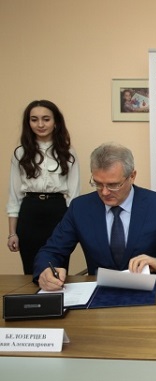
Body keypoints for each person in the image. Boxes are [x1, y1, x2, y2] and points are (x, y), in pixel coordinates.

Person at [33, 142, 156, 290]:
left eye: (113, 185)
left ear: (132, 176)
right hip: (99, 294)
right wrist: (46, 271)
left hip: (147, 292)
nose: (104, 192)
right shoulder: (80, 208)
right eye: (98, 183)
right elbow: (51, 251)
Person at [6, 100, 80, 275]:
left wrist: (74, 228)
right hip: (29, 213)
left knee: (58, 269)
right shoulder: (20, 153)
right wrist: (12, 233)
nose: (40, 124)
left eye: (46, 119)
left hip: (58, 212)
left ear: (56, 122)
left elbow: (74, 196)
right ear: (28, 123)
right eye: (34, 119)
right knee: (31, 270)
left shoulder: (68, 152)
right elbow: (14, 197)